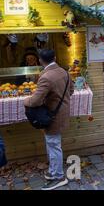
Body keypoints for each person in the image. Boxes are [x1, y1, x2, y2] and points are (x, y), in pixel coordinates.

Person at [23, 49, 73, 190]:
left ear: (40, 60)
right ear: (55, 57)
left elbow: (35, 101)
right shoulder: (64, 71)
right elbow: (71, 91)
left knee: (54, 145)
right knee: (52, 144)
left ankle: (58, 176)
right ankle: (53, 172)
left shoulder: (46, 77)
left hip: (53, 115)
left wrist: (25, 100)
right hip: (61, 113)